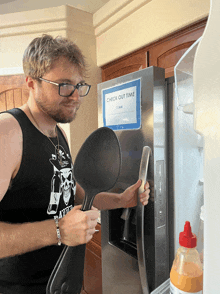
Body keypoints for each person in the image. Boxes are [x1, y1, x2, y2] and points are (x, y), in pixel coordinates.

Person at [0, 34, 150, 294]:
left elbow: (75, 194)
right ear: (31, 83)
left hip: (63, 280)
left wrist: (121, 201)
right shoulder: (8, 132)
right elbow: (61, 227)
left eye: (80, 85)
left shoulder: (57, 134)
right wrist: (58, 230)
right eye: (64, 85)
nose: (76, 96)